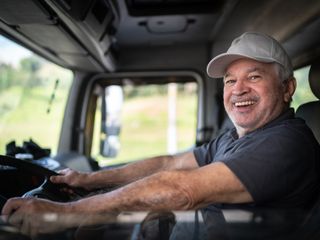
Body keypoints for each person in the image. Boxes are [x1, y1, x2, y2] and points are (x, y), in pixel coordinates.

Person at [2, 32, 320, 238]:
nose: (238, 90)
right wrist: (86, 181)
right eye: (229, 80)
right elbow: (169, 163)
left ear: (287, 88)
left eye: (254, 76)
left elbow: (182, 189)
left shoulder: (287, 143)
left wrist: (64, 214)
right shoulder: (234, 138)